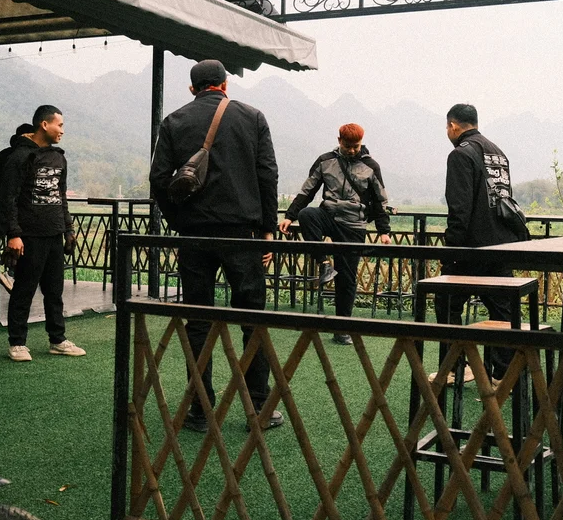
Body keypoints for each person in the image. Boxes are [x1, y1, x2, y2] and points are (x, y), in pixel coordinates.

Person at [149, 59, 282, 433]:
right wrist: (268, 230)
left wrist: (180, 222)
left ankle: (199, 411)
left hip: (195, 235)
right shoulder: (252, 117)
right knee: (252, 319)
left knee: (198, 322)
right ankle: (260, 407)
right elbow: (267, 175)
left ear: (193, 89)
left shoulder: (174, 121)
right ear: (225, 85)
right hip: (242, 233)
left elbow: (159, 179)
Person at [279, 123, 392, 344]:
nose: (352, 150)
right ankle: (324, 263)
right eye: (348, 145)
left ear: (361, 142)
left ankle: (341, 329)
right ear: (339, 140)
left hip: (354, 225)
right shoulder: (325, 161)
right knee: (307, 215)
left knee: (347, 279)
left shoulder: (371, 166)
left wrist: (384, 231)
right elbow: (307, 190)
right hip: (328, 216)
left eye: (356, 146)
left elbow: (380, 200)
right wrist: (289, 215)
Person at [442, 103, 525, 381]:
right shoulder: (497, 153)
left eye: (447, 127)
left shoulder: (460, 155)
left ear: (453, 126)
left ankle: (455, 368)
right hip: (501, 244)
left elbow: (460, 209)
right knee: (502, 310)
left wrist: (451, 251)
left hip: (472, 247)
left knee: (448, 303)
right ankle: (502, 375)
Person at [0, 106, 84, 361]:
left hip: (54, 233)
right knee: (24, 289)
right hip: (28, 235)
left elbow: (61, 197)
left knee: (54, 291)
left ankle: (57, 339)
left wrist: (68, 229)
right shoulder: (18, 158)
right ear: (44, 125)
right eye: (59, 125)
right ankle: (17, 343)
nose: (62, 131)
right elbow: (8, 198)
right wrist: (13, 234)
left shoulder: (59, 158)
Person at [0, 123, 38, 293]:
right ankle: (12, 274)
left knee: (14, 243)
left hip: (5, 208)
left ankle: (11, 273)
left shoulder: (4, 154)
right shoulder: (26, 155)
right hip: (24, 210)